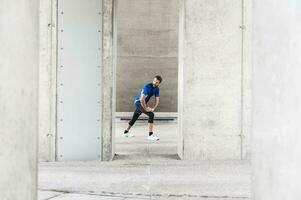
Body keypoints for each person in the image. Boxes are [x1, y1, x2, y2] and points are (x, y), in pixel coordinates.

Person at [122, 75, 162, 141]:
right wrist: (145, 108)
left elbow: (157, 99)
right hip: (138, 102)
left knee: (135, 117)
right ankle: (150, 135)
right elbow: (142, 99)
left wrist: (153, 108)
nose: (154, 83)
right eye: (154, 81)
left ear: (159, 83)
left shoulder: (157, 89)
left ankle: (126, 132)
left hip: (142, 103)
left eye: (157, 82)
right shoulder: (147, 87)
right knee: (151, 115)